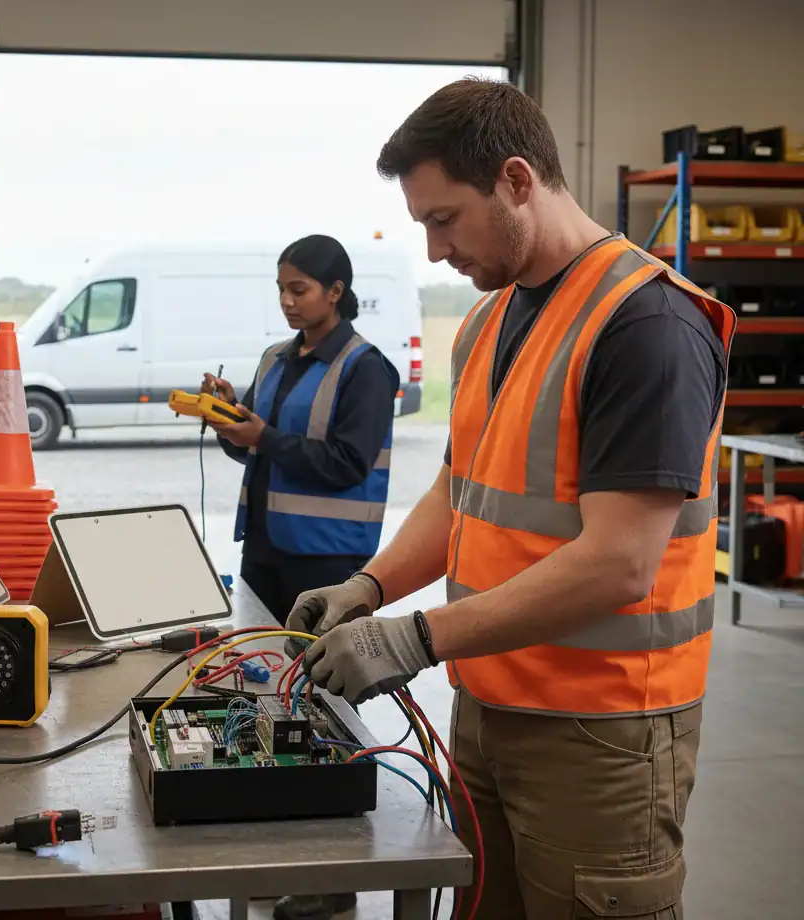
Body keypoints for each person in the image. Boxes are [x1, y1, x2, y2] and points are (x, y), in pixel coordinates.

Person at [286, 80, 734, 920]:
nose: (432, 251)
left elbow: (619, 564)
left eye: (444, 219)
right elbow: (463, 489)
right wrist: (371, 588)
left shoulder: (647, 328)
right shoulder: (489, 322)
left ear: (518, 181)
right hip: (488, 710)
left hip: (600, 736)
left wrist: (412, 639)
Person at [203, 233, 398, 920]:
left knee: (327, 712)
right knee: (268, 703)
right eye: (281, 289)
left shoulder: (368, 369)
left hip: (327, 562)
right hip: (265, 551)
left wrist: (265, 440)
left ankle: (331, 882)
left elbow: (346, 461)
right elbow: (258, 453)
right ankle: (277, 857)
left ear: (336, 292)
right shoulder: (275, 360)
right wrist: (232, 421)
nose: (287, 302)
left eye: (300, 290)